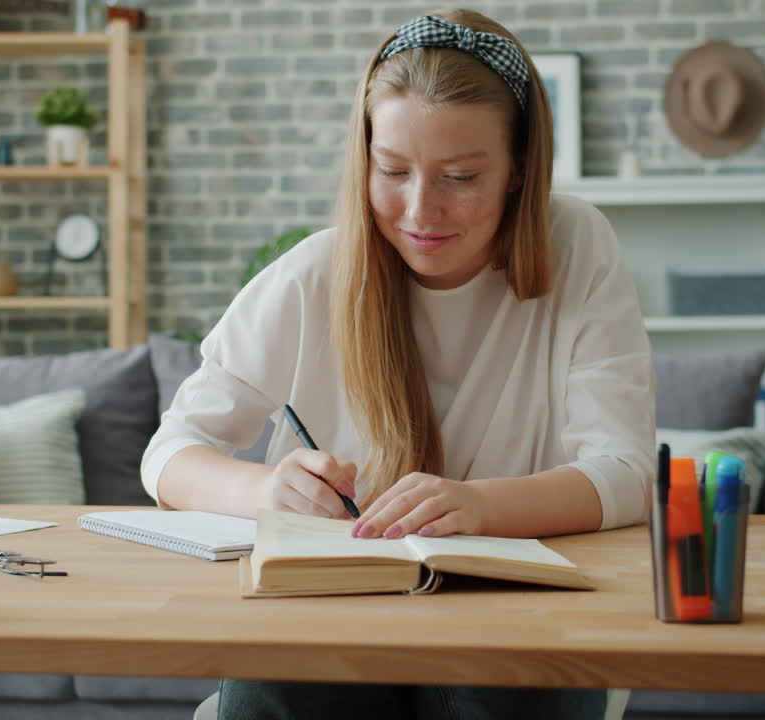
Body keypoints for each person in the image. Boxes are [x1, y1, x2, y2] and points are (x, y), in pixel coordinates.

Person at [141, 8, 653, 719]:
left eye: (462, 176)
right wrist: (264, 490)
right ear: (365, 159)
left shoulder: (578, 248)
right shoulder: (313, 275)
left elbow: (627, 474)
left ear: (519, 170)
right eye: (393, 170)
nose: (421, 210)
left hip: (510, 624)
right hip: (334, 615)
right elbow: (168, 455)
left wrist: (479, 507)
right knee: (282, 680)